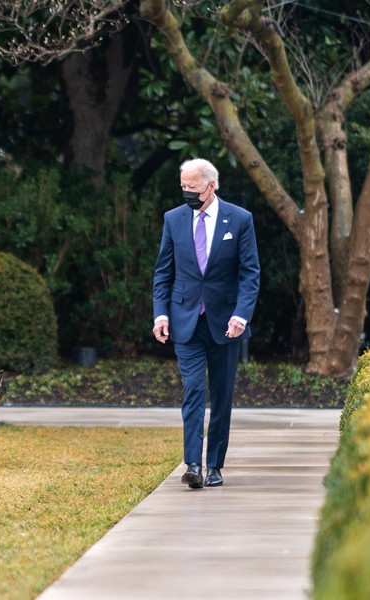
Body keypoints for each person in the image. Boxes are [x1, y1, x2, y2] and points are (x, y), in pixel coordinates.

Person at [152, 158, 260, 488]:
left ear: (211, 186)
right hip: (185, 321)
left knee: (222, 396)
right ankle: (193, 465)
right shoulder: (173, 219)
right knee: (194, 391)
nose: (187, 192)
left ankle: (215, 465)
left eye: (192, 187)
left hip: (226, 323)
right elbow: (163, 272)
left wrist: (241, 315)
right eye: (182, 186)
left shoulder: (240, 219)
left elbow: (249, 273)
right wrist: (161, 313)